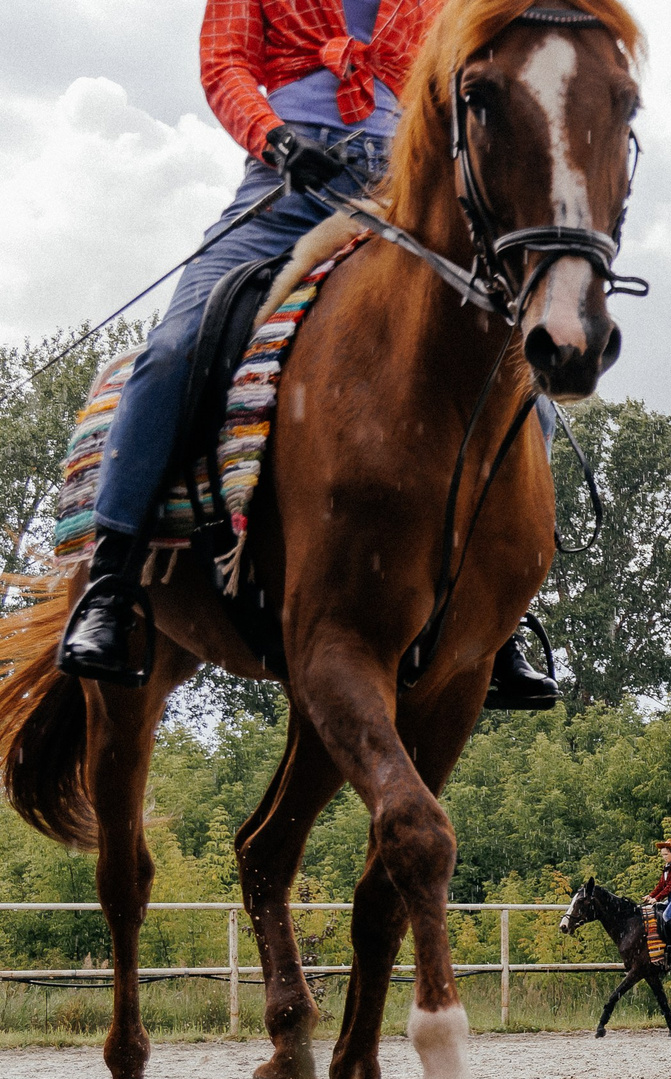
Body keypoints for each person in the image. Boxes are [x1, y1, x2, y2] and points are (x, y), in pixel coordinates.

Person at [56, 0, 556, 711]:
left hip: (400, 192)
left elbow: (467, 83)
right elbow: (225, 67)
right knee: (174, 348)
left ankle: (497, 611)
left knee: (500, 359)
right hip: (286, 187)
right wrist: (277, 141)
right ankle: (111, 582)